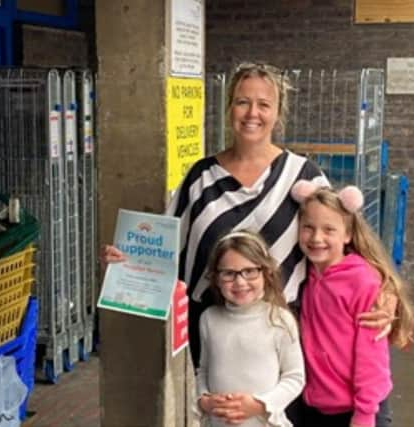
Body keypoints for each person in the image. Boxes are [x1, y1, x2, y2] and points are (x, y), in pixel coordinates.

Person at [100, 62, 396, 369]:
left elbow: (350, 248)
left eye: (264, 104)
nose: (252, 113)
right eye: (242, 102)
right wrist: (129, 263)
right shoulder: (201, 178)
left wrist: (386, 293)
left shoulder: (304, 177)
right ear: (230, 108)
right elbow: (164, 247)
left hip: (283, 331)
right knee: (221, 411)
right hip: (214, 330)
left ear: (278, 113)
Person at [290, 180, 414, 427]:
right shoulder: (305, 275)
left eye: (329, 230)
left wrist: (365, 413)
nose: (316, 238)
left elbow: (372, 355)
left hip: (359, 409)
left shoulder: (362, 282)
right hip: (318, 406)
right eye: (308, 227)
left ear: (348, 234)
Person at [195, 230, 304, 427]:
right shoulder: (209, 319)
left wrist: (260, 404)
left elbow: (295, 377)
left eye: (250, 271)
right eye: (229, 273)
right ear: (217, 277)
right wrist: (204, 400)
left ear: (266, 272)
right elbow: (203, 370)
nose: (240, 282)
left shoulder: (280, 320)